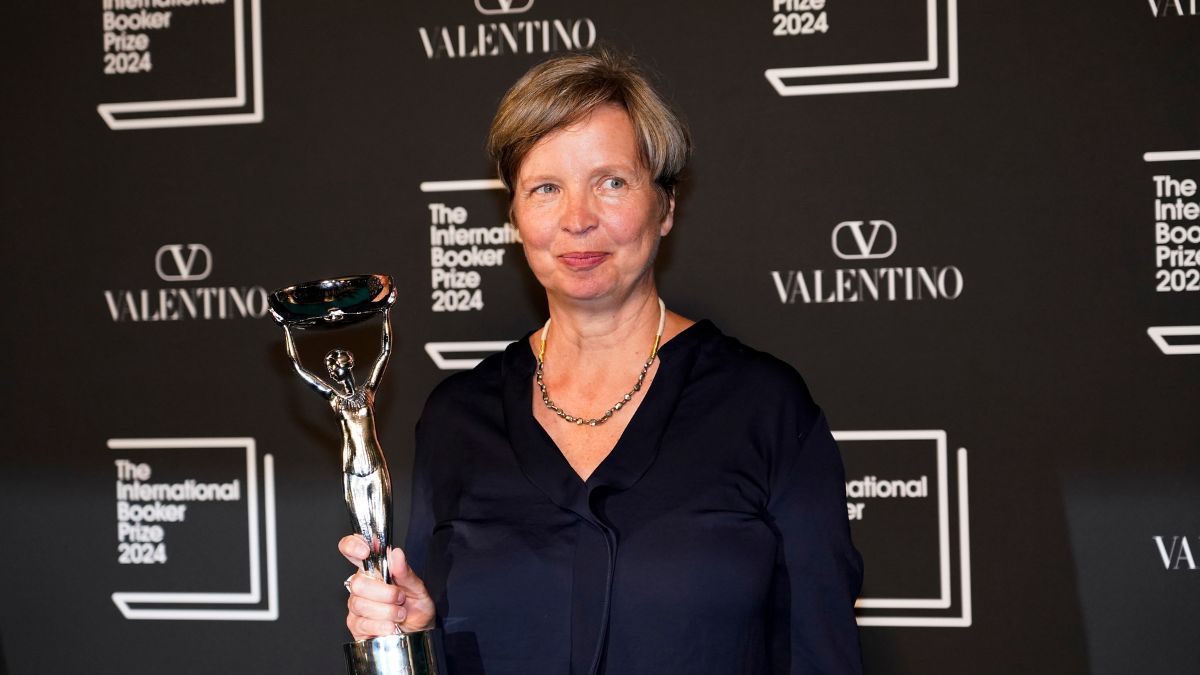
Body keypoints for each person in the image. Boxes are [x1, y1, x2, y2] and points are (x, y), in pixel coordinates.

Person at [340, 47, 863, 674]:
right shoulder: (457, 419)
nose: (578, 219)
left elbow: (821, 652)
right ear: (515, 216)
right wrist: (417, 634)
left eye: (611, 182)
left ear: (665, 206)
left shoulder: (765, 407)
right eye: (545, 189)